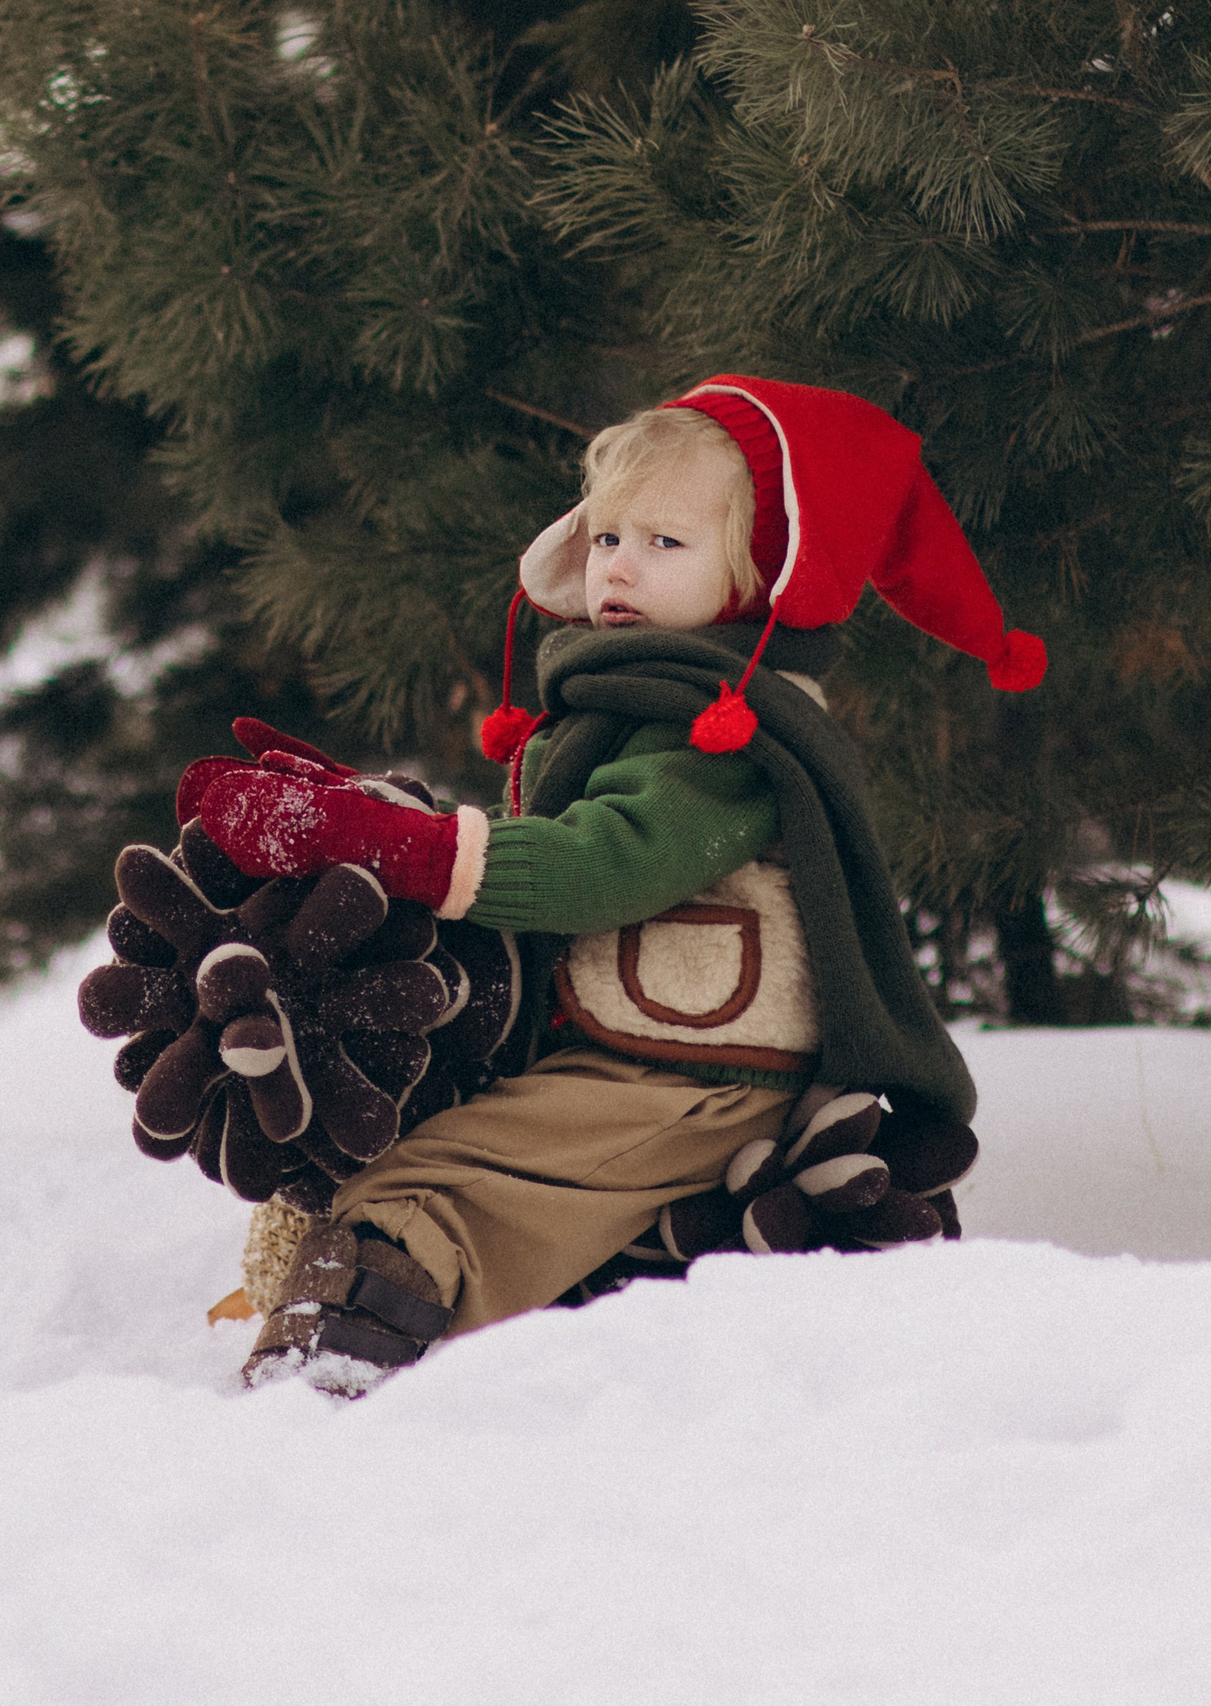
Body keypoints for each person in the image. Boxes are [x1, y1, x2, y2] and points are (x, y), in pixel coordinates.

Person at [193, 375, 1045, 1394]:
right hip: (634, 1061)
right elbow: (554, 849)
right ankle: (571, 1304)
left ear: (762, 571)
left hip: (699, 1080)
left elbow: (605, 861)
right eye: (605, 536)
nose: (618, 564)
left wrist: (407, 851)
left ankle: (330, 1356)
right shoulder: (642, 701)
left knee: (438, 1181)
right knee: (483, 1153)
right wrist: (369, 823)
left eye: (664, 542)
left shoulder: (727, 738)